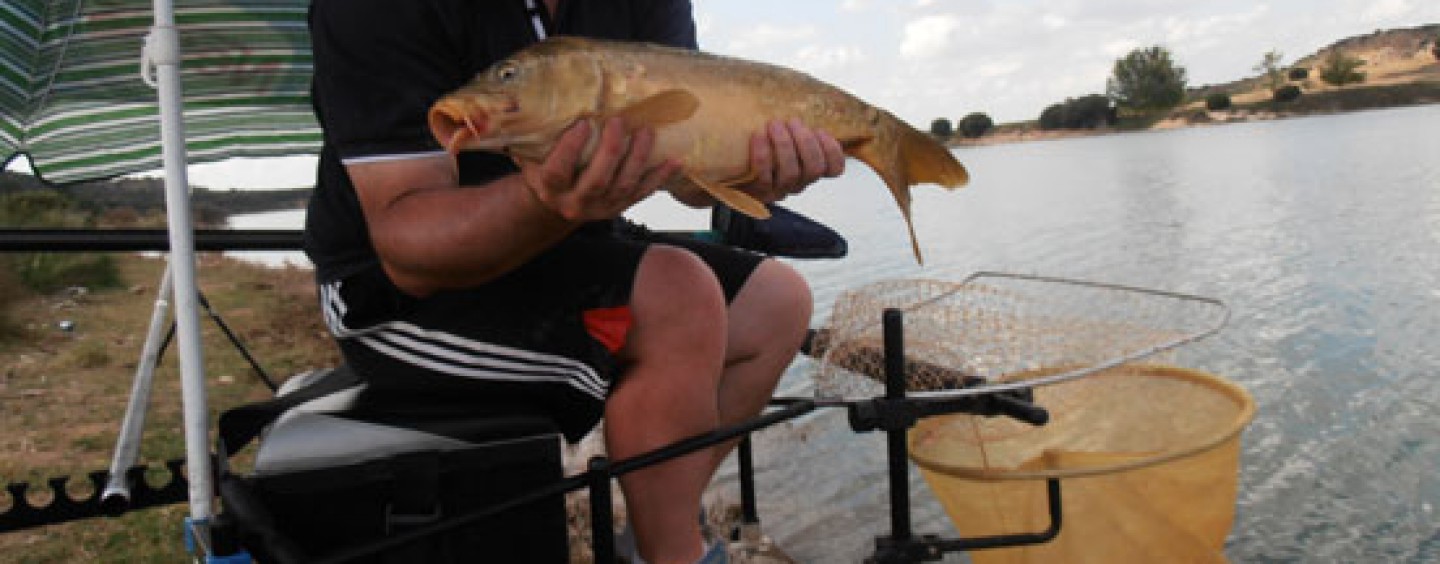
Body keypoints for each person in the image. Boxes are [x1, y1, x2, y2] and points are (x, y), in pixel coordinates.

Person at [303, 1, 844, 562]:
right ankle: (674, 551)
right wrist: (546, 200)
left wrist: (750, 168)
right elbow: (407, 250)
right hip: (395, 297)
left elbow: (689, 178)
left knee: (775, 302)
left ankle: (656, 521)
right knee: (677, 293)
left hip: (568, 240)